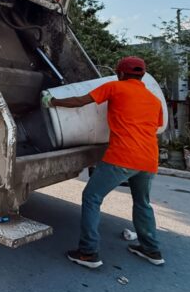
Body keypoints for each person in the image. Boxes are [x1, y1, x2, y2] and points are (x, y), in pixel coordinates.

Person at [42, 56, 165, 269]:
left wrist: (53, 102)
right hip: (148, 160)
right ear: (142, 75)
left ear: (120, 73)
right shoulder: (154, 100)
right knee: (142, 203)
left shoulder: (115, 87)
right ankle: (151, 249)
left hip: (123, 157)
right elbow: (156, 126)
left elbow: (80, 101)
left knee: (91, 197)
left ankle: (88, 252)